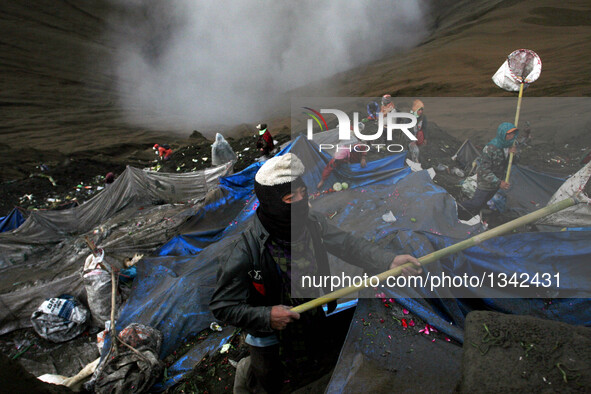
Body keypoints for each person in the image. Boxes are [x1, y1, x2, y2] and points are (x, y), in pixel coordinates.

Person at [209, 153, 421, 393]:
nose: (302, 201)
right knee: (270, 382)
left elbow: (346, 244)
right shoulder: (246, 251)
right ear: (271, 204)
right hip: (270, 335)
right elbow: (222, 306)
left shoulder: (311, 223)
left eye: (303, 192)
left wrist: (388, 259)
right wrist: (267, 316)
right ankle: (248, 371)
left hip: (310, 312)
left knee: (313, 367)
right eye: (291, 198)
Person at [459, 122, 519, 218]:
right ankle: (457, 210)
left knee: (484, 201)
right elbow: (484, 170)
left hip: (496, 183)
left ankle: (474, 214)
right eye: (508, 134)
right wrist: (499, 182)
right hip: (486, 182)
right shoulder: (491, 148)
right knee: (476, 202)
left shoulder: (511, 146)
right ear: (502, 134)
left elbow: (513, 162)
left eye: (513, 134)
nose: (511, 136)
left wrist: (514, 154)